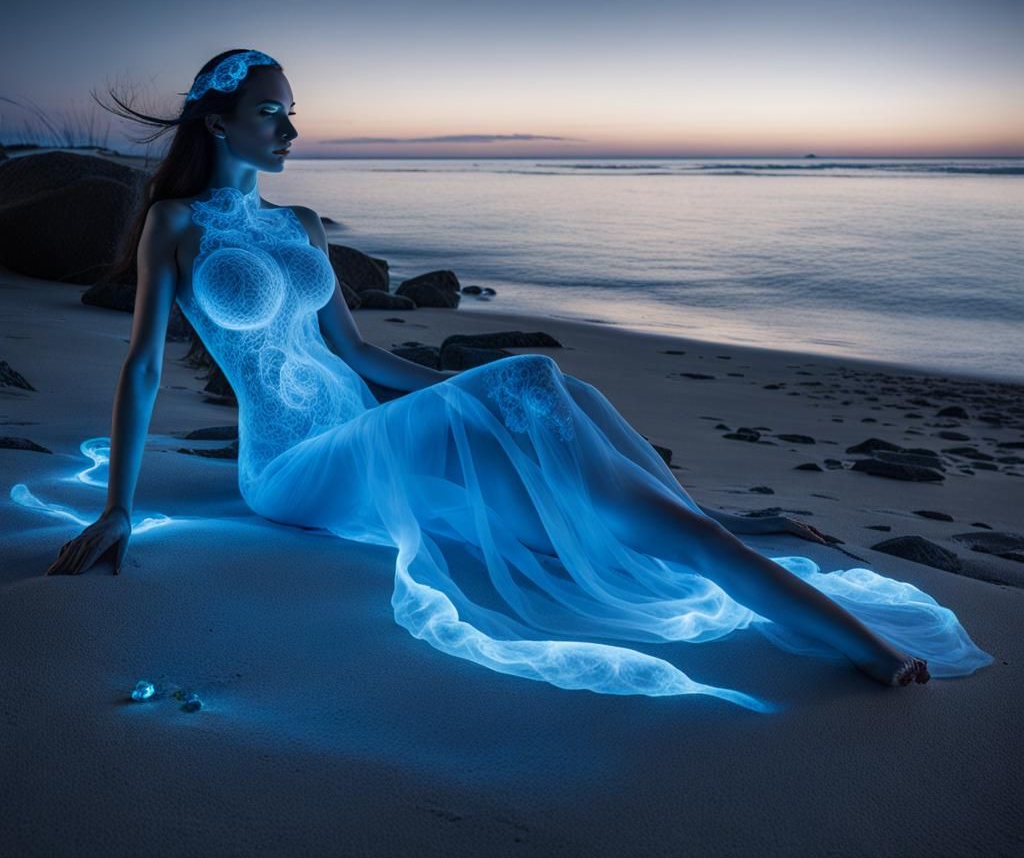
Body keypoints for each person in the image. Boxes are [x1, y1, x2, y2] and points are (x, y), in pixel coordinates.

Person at [43, 49, 994, 711]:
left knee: (558, 425)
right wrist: (117, 508)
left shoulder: (303, 226)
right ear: (216, 121)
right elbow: (141, 367)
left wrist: (464, 391)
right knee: (533, 391)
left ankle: (725, 536)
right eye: (270, 112)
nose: (291, 127)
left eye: (293, 110)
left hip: (367, 431)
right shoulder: (177, 224)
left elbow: (361, 358)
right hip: (291, 468)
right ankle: (833, 626)